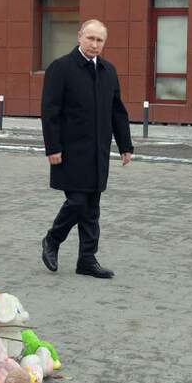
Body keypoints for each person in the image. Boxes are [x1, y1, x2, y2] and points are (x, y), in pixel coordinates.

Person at [40, 19, 133, 279]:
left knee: (92, 206)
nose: (94, 44)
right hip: (70, 151)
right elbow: (50, 112)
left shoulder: (108, 71)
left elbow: (117, 111)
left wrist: (125, 145)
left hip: (98, 152)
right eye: (90, 38)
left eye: (99, 40)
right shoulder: (61, 68)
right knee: (78, 201)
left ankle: (87, 260)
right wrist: (53, 147)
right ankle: (53, 239)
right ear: (80, 37)